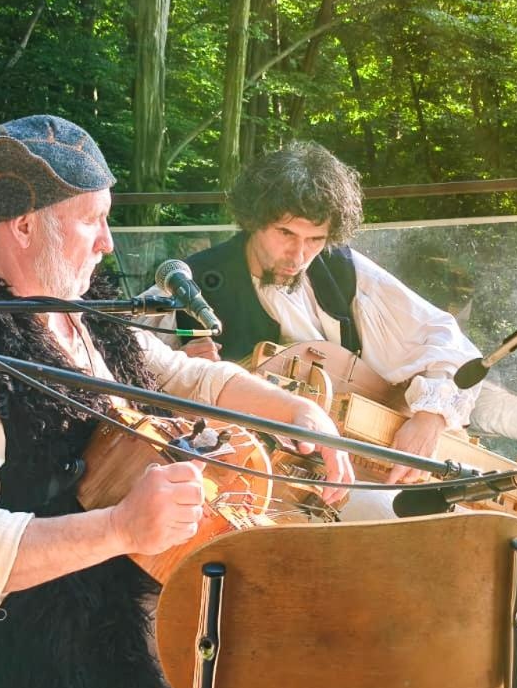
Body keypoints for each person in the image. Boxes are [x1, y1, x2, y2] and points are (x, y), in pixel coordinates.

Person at [0, 116, 352, 688]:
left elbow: (177, 374)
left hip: (129, 581)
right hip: (32, 642)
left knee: (299, 618)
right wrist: (120, 530)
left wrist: (295, 412)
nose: (108, 243)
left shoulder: (78, 309)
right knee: (270, 652)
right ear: (24, 226)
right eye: (93, 223)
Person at [162, 142, 482, 508]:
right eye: (286, 233)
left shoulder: (339, 268)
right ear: (253, 219)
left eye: (315, 239)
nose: (299, 256)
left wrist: (431, 417)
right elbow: (128, 362)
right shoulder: (193, 280)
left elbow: (444, 335)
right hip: (253, 486)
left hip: (357, 463)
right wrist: (187, 373)